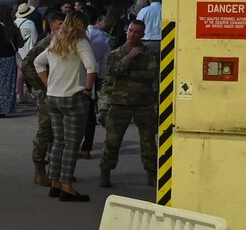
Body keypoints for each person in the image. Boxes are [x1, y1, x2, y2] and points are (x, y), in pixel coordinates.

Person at [32, 13, 100, 203]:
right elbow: (92, 67)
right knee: (72, 144)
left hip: (53, 98)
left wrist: (49, 84)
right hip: (73, 98)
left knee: (58, 142)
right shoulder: (80, 42)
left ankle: (54, 183)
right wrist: (87, 89)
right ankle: (67, 187)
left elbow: (38, 63)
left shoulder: (55, 42)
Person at [99, 20, 160, 189]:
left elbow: (151, 75)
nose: (133, 35)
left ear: (143, 34)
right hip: (120, 103)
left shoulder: (149, 54)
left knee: (148, 141)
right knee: (113, 140)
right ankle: (105, 171)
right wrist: (130, 57)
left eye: (137, 32)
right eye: (131, 31)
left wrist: (127, 73)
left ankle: (151, 173)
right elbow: (114, 71)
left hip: (144, 103)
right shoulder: (116, 53)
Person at [26, 10, 63, 185]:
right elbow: (27, 64)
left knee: (59, 135)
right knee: (45, 132)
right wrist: (43, 85)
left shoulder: (65, 42)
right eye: (59, 25)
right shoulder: (46, 43)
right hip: (48, 95)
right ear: (51, 26)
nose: (63, 28)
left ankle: (55, 170)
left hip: (61, 95)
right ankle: (39, 169)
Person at [80, 13, 112, 159]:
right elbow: (99, 65)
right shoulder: (102, 38)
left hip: (71, 83)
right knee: (89, 116)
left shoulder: (72, 38)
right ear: (97, 21)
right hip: (89, 82)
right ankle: (86, 147)